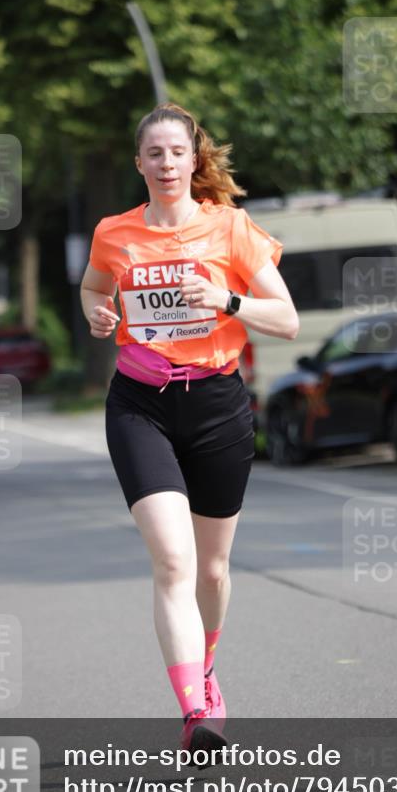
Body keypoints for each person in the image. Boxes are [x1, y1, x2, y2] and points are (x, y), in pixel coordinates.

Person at [80, 103, 299, 754]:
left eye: (177, 152)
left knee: (210, 570)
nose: (166, 163)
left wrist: (226, 301)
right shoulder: (114, 233)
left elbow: (286, 319)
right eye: (154, 153)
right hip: (139, 404)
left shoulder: (230, 229)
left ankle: (206, 667)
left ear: (194, 159)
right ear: (139, 162)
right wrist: (97, 312)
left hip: (215, 405)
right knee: (171, 561)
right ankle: (193, 711)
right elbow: (94, 288)